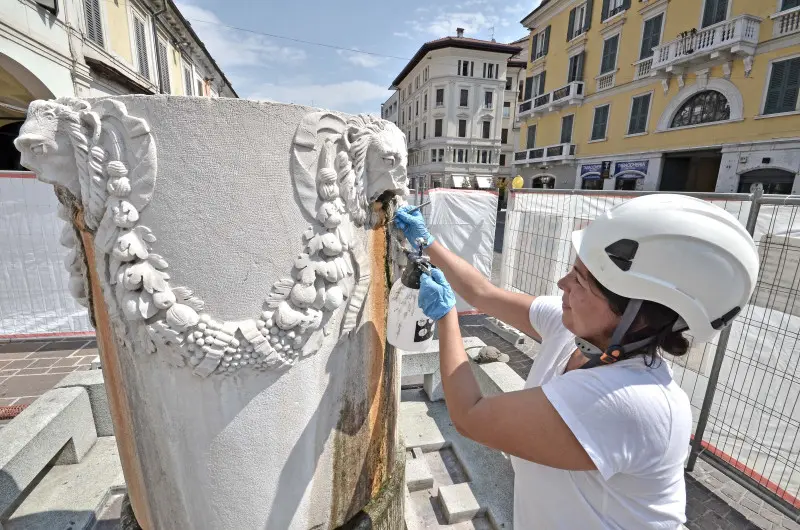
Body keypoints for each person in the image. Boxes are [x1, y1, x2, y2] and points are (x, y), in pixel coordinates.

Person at [393, 194, 759, 529]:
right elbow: (482, 293)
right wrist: (426, 241)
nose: (562, 281)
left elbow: (470, 415)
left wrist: (446, 317)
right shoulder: (577, 330)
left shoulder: (629, 401)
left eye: (582, 281)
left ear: (640, 314)